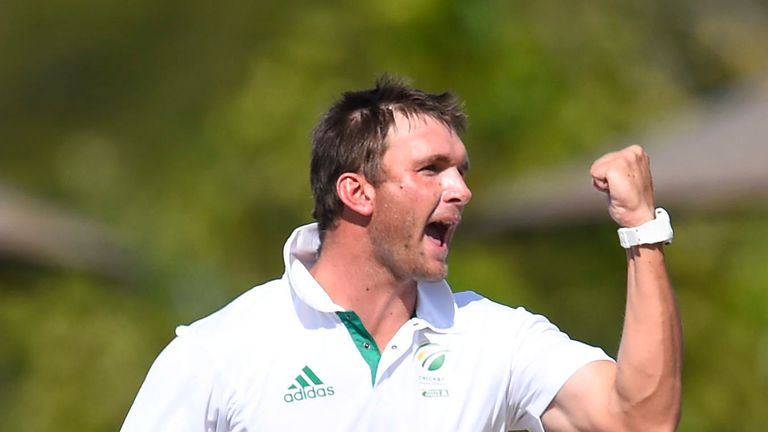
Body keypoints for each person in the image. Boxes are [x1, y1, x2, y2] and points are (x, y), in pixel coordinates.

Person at [122, 76, 682, 431]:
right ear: (357, 192)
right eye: (431, 169)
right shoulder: (217, 354)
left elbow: (641, 424)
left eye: (460, 170)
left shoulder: (495, 339)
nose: (461, 190)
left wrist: (642, 230)